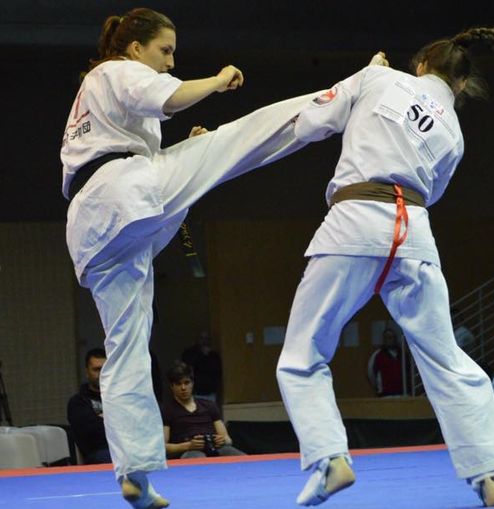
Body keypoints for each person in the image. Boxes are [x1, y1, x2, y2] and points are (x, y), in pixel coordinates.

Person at [276, 28, 494, 507]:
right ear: (461, 84)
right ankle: (491, 475)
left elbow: (311, 121)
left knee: (303, 352)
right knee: (446, 358)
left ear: (420, 65)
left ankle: (329, 458)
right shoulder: (453, 131)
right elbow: (432, 191)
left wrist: (364, 77)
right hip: (413, 233)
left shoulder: (376, 77)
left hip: (354, 223)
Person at [60, 8, 324, 508]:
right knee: (236, 142)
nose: (170, 61)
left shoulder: (98, 92)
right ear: (135, 47)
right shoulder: (117, 70)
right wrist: (220, 79)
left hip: (97, 229)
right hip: (123, 194)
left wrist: (186, 154)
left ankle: (135, 475)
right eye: (165, 50)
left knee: (127, 352)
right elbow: (172, 96)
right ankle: (344, 97)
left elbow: (129, 145)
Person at [161, 362, 244, 458]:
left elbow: (228, 439)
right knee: (196, 459)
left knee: (243, 459)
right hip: (189, 450)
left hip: (216, 447)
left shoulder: (209, 405)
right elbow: (162, 447)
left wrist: (222, 440)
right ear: (172, 386)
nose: (183, 388)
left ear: (192, 383)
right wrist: (187, 446)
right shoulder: (167, 410)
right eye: (178, 384)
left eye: (187, 383)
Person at [67, 348, 111, 464]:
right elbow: (91, 434)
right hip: (99, 454)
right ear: (87, 372)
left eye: (106, 369)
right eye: (97, 369)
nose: (102, 374)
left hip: (126, 450)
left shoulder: (121, 397)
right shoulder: (78, 402)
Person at [181, 331, 222, 402]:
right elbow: (187, 366)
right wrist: (202, 355)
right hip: (195, 392)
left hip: (211, 392)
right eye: (202, 338)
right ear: (197, 339)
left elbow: (217, 371)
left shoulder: (214, 355)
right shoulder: (190, 353)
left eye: (207, 339)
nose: (204, 341)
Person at [367, 327, 406, 396]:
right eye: (388, 338)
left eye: (392, 337)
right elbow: (371, 374)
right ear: (384, 340)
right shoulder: (378, 355)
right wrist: (378, 388)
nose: (390, 340)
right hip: (385, 394)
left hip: (402, 393)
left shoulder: (403, 354)